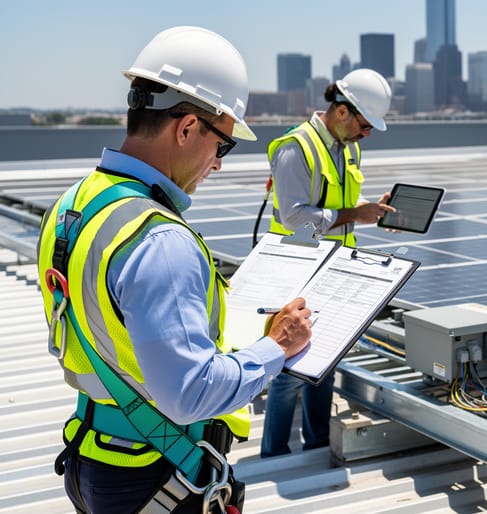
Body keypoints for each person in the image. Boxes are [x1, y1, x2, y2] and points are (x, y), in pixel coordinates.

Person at [36, 26, 315, 513]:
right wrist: (278, 345)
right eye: (222, 145)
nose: (218, 164)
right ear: (186, 129)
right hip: (157, 474)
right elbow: (190, 394)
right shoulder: (161, 240)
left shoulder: (72, 205)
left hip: (95, 458)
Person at [260, 68, 394, 457]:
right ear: (342, 111)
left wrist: (372, 210)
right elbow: (295, 218)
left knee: (324, 362)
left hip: (336, 269)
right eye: (365, 125)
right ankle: (274, 453)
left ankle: (317, 441)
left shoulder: (349, 147)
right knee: (289, 370)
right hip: (298, 270)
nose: (366, 134)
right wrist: (354, 214)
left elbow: (342, 202)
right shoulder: (296, 147)